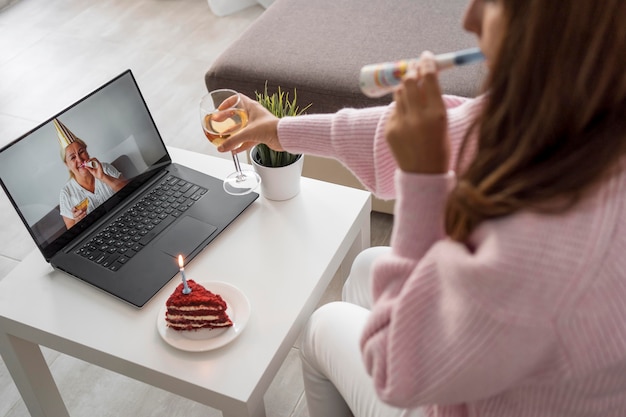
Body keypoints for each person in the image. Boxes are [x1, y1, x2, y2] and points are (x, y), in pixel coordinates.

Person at [220, 0, 626, 415]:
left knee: (322, 326)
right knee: (365, 269)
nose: (468, 19)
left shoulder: (547, 247)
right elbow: (424, 131)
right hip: (508, 364)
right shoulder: (569, 112)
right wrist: (277, 130)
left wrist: (422, 182)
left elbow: (394, 369)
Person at [55, 119, 128, 229]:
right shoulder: (66, 193)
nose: (79, 160)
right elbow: (73, 233)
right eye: (73, 157)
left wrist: (103, 176)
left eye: (81, 152)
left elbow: (130, 190)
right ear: (67, 165)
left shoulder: (105, 168)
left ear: (87, 151)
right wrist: (78, 220)